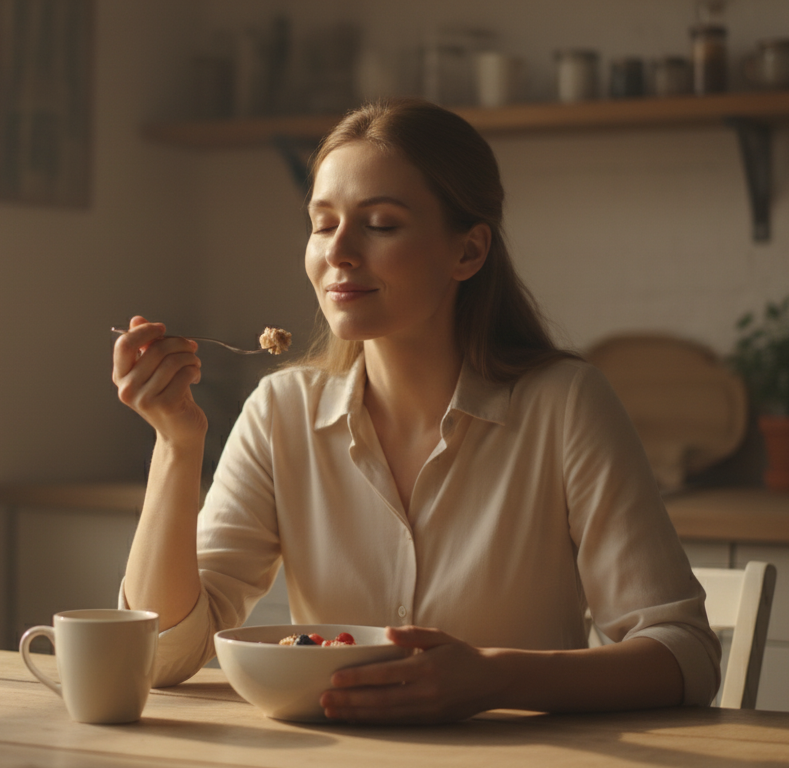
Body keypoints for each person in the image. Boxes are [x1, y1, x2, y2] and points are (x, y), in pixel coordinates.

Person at [111, 98, 720, 724]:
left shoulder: (566, 404)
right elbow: (160, 659)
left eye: (379, 224)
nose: (339, 252)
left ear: (468, 252)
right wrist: (176, 445)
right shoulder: (280, 411)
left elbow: (686, 656)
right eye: (323, 224)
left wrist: (497, 677)